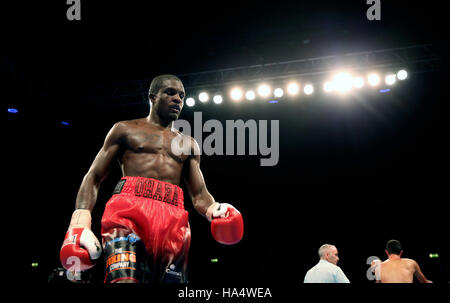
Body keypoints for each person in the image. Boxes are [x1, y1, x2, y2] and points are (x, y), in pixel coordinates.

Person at [59, 74, 244, 283]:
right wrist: (80, 222)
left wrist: (215, 209)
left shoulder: (189, 144)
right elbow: (93, 176)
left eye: (181, 96)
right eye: (170, 92)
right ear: (153, 96)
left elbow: (199, 194)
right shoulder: (125, 129)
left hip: (174, 220)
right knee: (124, 281)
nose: (178, 99)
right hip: (127, 213)